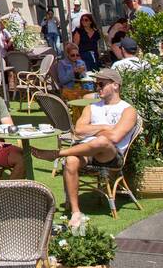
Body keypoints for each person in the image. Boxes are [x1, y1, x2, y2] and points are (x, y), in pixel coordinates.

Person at [38, 68, 138, 228]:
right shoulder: (91, 108)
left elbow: (114, 138)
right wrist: (105, 127)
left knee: (103, 142)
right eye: (95, 84)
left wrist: (96, 129)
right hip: (86, 150)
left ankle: (57, 154)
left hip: (111, 155)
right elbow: (79, 130)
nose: (97, 87)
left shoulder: (128, 110)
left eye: (101, 84)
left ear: (115, 85)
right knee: (71, 160)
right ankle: (76, 212)